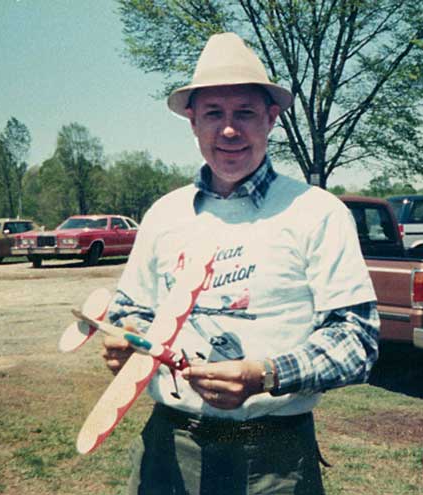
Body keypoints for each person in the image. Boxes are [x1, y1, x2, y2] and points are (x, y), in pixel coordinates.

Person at [102, 32, 379, 495]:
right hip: (169, 447)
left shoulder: (317, 212)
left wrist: (265, 375)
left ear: (271, 118)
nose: (229, 130)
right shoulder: (165, 214)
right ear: (192, 121)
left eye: (245, 113)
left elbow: (357, 339)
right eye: (213, 113)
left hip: (271, 459)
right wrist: (128, 340)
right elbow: (129, 309)